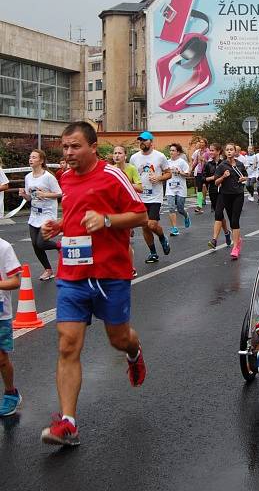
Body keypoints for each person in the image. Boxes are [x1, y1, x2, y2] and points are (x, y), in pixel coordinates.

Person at [40, 121, 148, 447]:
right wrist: (60, 225)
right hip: (72, 274)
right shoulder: (65, 178)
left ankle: (134, 351)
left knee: (118, 339)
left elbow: (140, 215)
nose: (68, 153)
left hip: (110, 274)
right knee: (67, 345)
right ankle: (68, 422)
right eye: (65, 147)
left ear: (92, 146)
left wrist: (106, 220)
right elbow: (76, 213)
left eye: (75, 147)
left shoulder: (112, 175)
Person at [18, 149, 61, 281]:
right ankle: (48, 270)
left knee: (41, 243)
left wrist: (45, 194)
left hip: (47, 214)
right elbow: (30, 198)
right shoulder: (28, 177)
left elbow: (60, 193)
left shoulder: (48, 177)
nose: (31, 159)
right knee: (35, 244)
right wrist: (24, 195)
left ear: (41, 161)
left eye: (34, 157)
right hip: (35, 214)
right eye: (30, 157)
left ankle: (60, 246)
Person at [130, 131, 171, 264]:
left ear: (151, 142)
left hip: (155, 196)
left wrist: (159, 178)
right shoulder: (134, 158)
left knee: (152, 224)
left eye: (144, 140)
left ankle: (162, 237)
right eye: (140, 140)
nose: (142, 142)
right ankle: (153, 253)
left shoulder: (160, 156)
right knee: (145, 227)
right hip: (140, 197)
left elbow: (169, 174)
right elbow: (131, 177)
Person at [112, 146, 142, 278]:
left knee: (124, 241)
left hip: (127, 207)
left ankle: (131, 267)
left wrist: (125, 183)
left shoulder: (131, 169)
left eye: (120, 153)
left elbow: (140, 187)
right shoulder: (111, 170)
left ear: (125, 155)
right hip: (113, 208)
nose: (117, 155)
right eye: (115, 153)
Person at [0, 237, 22, 417]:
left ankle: (11, 393)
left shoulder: (4, 247)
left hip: (1, 314)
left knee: (1, 358)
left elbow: (15, 282)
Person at [214, 143, 247, 260]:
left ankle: (236, 247)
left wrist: (244, 179)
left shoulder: (240, 164)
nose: (229, 152)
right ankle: (237, 239)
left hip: (238, 194)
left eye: (231, 150)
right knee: (230, 218)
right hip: (225, 195)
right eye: (227, 150)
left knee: (234, 221)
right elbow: (216, 182)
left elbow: (246, 177)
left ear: (235, 152)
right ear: (225, 152)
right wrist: (223, 177)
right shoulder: (222, 166)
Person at [205, 144, 231, 250]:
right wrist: (215, 178)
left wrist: (222, 179)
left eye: (212, 150)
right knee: (219, 214)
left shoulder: (224, 163)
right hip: (213, 191)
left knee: (219, 214)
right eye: (210, 150)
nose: (210, 152)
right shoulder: (208, 164)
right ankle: (226, 233)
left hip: (225, 192)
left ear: (219, 151)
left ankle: (214, 239)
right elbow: (204, 178)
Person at [165, 143, 191, 236]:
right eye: (170, 150)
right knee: (171, 208)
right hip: (170, 188)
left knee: (180, 209)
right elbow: (164, 173)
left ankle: (186, 215)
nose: (171, 152)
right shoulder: (167, 162)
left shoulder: (182, 162)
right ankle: (175, 228)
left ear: (178, 152)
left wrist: (179, 172)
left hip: (180, 188)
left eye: (173, 150)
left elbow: (188, 174)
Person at [191, 137, 210, 213]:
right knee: (199, 189)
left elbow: (210, 163)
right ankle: (199, 206)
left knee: (209, 188)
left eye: (202, 142)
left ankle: (214, 204)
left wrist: (204, 160)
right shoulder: (198, 152)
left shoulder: (208, 152)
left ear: (205, 144)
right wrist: (191, 170)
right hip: (199, 172)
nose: (201, 143)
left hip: (207, 173)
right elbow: (195, 162)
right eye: (200, 142)